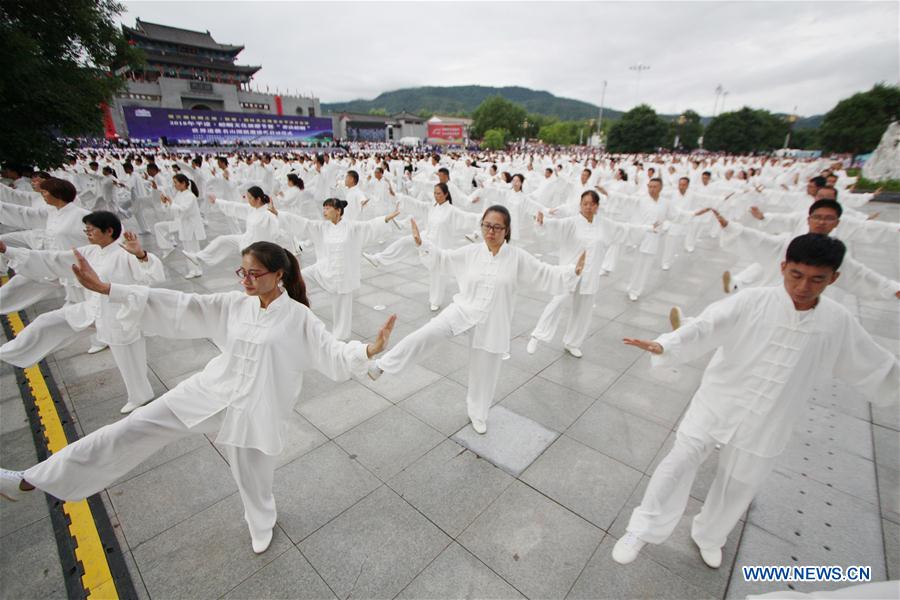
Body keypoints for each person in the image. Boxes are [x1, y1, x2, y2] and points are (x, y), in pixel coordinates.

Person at [0, 241, 396, 555]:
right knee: (131, 428)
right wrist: (109, 289)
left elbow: (331, 352)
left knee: (253, 478)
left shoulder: (299, 318)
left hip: (256, 408)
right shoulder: (232, 304)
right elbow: (180, 304)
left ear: (279, 275)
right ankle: (33, 480)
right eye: (243, 271)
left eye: (255, 273)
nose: (246, 279)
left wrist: (367, 349)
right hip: (210, 391)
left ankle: (262, 523)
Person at [613, 234, 899, 569]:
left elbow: (876, 364)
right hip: (719, 402)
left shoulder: (837, 322)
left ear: (834, 278)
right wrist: (667, 345)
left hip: (770, 419)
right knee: (677, 463)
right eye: (796, 275)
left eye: (817, 279)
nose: (804, 286)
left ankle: (709, 535)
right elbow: (706, 327)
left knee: (739, 483)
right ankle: (641, 529)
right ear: (783, 268)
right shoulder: (752, 301)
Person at [368, 205, 586, 434]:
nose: (490, 232)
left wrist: (573, 272)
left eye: (497, 227)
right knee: (427, 333)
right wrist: (422, 244)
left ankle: (478, 413)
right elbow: (443, 259)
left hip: (492, 321)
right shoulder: (471, 252)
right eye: (486, 226)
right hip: (464, 309)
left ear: (507, 230)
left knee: (485, 372)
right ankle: (382, 366)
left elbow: (545, 273)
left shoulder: (517, 258)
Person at [0, 211, 165, 413]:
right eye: (86, 229)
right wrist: (9, 251)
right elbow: (53, 260)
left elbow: (152, 275)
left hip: (121, 316)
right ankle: (10, 351)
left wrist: (141, 254)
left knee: (129, 360)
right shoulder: (90, 252)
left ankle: (140, 395)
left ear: (109, 231)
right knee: (47, 321)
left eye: (92, 229)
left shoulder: (124, 252)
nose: (88, 233)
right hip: (92, 309)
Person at [527, 190, 653, 357]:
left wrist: (648, 228)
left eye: (591, 204)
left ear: (597, 206)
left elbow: (625, 229)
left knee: (583, 310)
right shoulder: (571, 222)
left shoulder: (604, 224)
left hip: (590, 274)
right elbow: (553, 226)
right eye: (584, 203)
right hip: (570, 271)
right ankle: (538, 335)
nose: (587, 207)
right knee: (557, 301)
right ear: (580, 205)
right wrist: (542, 223)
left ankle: (572, 342)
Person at [273, 198, 400, 340]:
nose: (324, 211)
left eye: (328, 208)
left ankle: (340, 338)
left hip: (343, 276)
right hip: (323, 270)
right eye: (324, 208)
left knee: (342, 309)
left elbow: (370, 226)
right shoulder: (321, 227)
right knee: (297, 277)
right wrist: (278, 213)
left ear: (338, 211)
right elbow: (303, 224)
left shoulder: (351, 227)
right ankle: (281, 304)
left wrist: (387, 218)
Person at [363, 182, 479, 311]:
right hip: (426, 238)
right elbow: (416, 204)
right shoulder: (431, 207)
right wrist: (398, 195)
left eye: (439, 193)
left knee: (437, 273)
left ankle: (435, 300)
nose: (436, 196)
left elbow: (469, 218)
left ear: (446, 194)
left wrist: (486, 218)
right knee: (405, 241)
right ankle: (378, 259)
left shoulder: (452, 211)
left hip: (440, 246)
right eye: (434, 193)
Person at [0, 178, 90, 313]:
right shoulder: (52, 212)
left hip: (75, 269)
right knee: (16, 286)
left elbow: (110, 236)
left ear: (57, 194)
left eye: (45, 192)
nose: (42, 196)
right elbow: (24, 213)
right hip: (51, 264)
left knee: (84, 307)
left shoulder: (82, 216)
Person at [184, 186, 282, 268]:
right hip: (246, 239)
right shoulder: (252, 209)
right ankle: (199, 257)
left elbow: (277, 230)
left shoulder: (267, 214)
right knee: (222, 240)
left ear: (258, 199)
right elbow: (235, 206)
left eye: (250, 198)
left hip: (257, 248)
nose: (248, 200)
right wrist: (217, 201)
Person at [154, 173, 206, 278]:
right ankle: (194, 269)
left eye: (176, 183)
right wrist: (166, 203)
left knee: (193, 249)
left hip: (191, 227)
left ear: (183, 183)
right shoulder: (179, 195)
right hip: (184, 226)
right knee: (188, 249)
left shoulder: (190, 196)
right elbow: (173, 210)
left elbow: (183, 210)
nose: (174, 185)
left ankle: (196, 270)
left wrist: (171, 202)